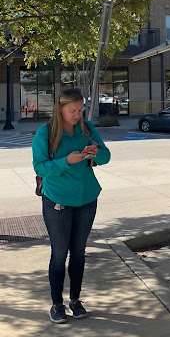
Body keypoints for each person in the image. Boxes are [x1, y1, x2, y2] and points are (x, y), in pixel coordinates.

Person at [32, 88, 111, 323]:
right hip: (57, 200)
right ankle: (57, 304)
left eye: (80, 109)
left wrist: (95, 153)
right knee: (59, 254)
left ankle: (75, 300)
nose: (77, 115)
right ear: (60, 109)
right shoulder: (45, 133)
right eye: (72, 110)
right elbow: (40, 168)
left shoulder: (87, 129)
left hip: (87, 198)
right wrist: (66, 161)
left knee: (78, 252)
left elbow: (106, 157)